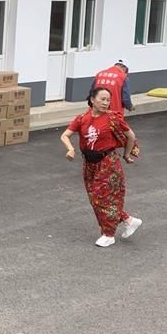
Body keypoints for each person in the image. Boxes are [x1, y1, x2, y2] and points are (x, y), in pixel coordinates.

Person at [60, 87, 142, 247]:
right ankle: (128, 220)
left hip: (108, 162)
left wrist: (126, 155)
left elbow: (130, 135)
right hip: (89, 164)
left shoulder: (112, 118)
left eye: (108, 100)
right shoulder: (82, 118)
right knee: (95, 198)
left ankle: (109, 234)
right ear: (92, 100)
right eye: (102, 99)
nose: (106, 103)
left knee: (103, 198)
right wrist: (70, 149)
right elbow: (65, 135)